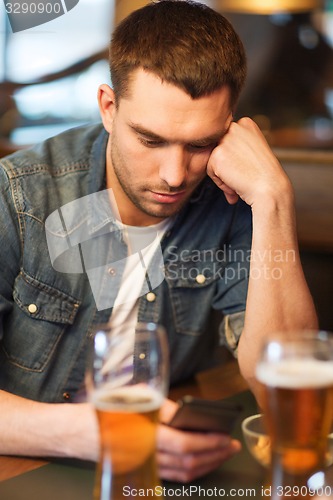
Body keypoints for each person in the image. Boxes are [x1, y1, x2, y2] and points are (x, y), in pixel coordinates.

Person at [0, 0, 317, 483]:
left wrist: (274, 198)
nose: (174, 176)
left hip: (156, 475)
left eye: (199, 144)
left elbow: (280, 382)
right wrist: (95, 431)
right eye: (150, 140)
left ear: (229, 126)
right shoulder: (19, 195)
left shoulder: (233, 201)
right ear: (108, 107)